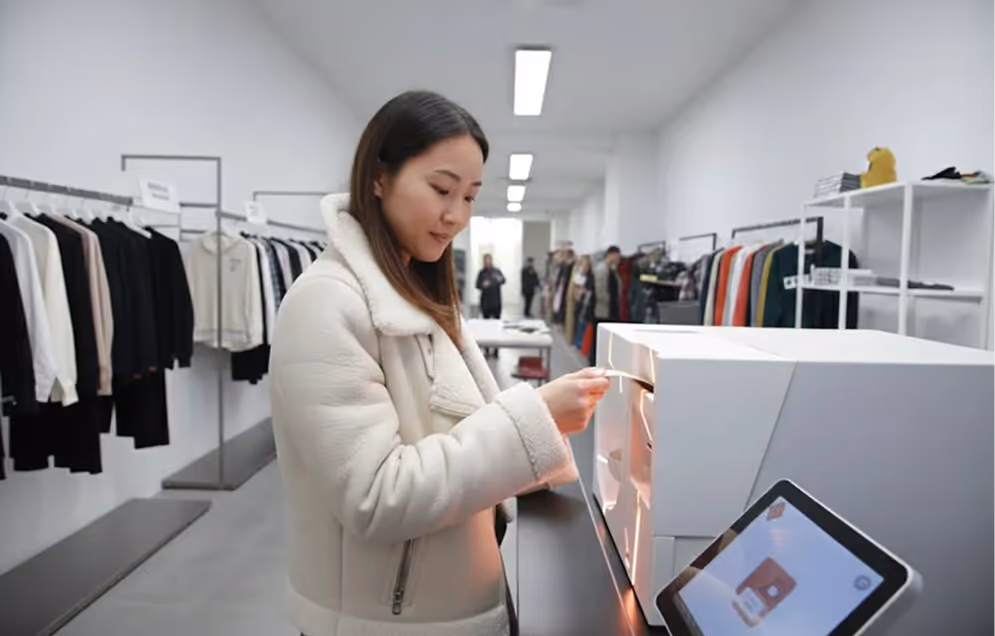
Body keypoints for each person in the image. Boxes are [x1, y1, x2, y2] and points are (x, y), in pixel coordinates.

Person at [269, 91, 611, 636]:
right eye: (441, 189)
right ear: (379, 177)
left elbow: (450, 429)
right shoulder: (326, 303)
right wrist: (534, 420)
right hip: (381, 620)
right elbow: (375, 496)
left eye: (470, 196)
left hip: (435, 604)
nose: (457, 216)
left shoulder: (414, 295)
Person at [590, 245, 622, 365]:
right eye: (617, 256)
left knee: (605, 340)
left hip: (610, 311)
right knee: (599, 339)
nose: (618, 259)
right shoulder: (601, 269)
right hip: (603, 311)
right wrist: (609, 302)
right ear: (610, 255)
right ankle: (595, 363)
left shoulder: (611, 269)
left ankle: (601, 362)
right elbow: (600, 291)